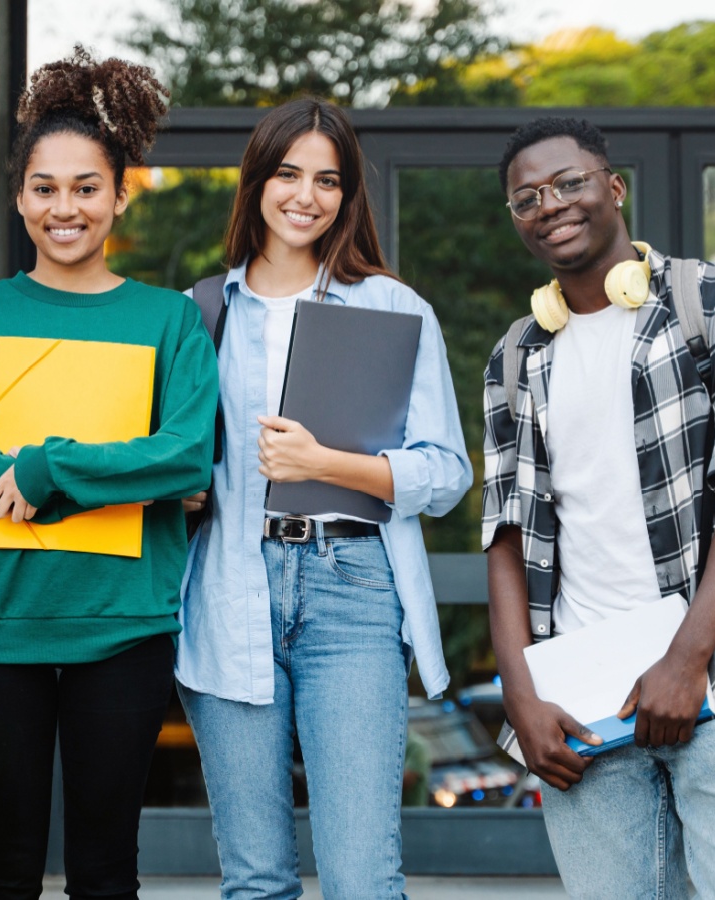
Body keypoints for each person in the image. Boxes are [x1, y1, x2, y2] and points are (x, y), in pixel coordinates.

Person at [481, 116, 715, 898]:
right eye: (527, 197)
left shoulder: (714, 298)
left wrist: (684, 659)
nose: (551, 204)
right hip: (581, 703)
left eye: (569, 182)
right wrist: (522, 697)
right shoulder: (516, 355)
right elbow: (505, 536)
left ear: (613, 187)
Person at [0, 48, 218, 900]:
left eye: (86, 187)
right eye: (45, 187)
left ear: (121, 194)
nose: (65, 207)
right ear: (19, 198)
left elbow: (186, 453)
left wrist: (47, 468)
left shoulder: (168, 322)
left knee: (105, 872)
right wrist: (101, 473)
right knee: (4, 872)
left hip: (122, 629)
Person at [176, 96, 471, 900]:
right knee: (256, 879)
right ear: (257, 183)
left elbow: (446, 474)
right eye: (288, 173)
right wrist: (183, 494)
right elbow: (172, 464)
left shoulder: (393, 308)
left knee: (361, 879)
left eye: (328, 180)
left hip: (352, 587)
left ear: (348, 196)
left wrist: (330, 461)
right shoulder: (200, 311)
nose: (306, 195)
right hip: (226, 589)